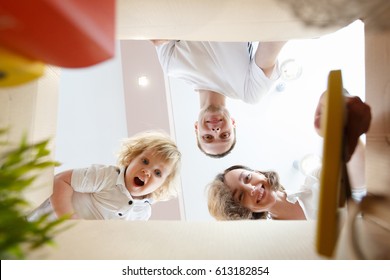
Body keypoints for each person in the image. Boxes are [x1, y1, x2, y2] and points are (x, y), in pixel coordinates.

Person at [206, 93, 371, 220]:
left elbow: (359, 184)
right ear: (244, 211)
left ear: (259, 173)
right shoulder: (276, 242)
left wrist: (346, 131)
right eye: (241, 196)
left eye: (248, 178)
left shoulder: (315, 178)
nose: (251, 188)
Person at [152, 40, 286, 158]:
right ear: (232, 123)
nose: (216, 131)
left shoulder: (171, 67)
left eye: (208, 137)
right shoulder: (249, 92)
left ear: (196, 127)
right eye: (225, 135)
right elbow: (274, 40)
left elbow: (160, 27)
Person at [27, 130, 181, 221]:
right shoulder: (108, 177)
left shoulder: (143, 213)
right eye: (145, 161)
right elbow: (61, 181)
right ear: (130, 158)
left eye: (158, 173)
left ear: (163, 185)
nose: (147, 171)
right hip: (44, 222)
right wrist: (69, 221)